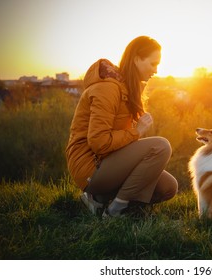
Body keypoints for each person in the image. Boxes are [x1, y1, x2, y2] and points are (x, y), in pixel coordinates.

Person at [66, 36, 178, 218]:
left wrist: (134, 132)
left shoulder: (129, 89)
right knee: (160, 146)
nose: (156, 70)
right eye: (153, 64)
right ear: (136, 59)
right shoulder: (107, 89)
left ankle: (99, 199)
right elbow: (99, 142)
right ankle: (115, 210)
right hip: (90, 167)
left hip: (108, 161)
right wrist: (136, 131)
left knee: (168, 187)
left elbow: (123, 144)